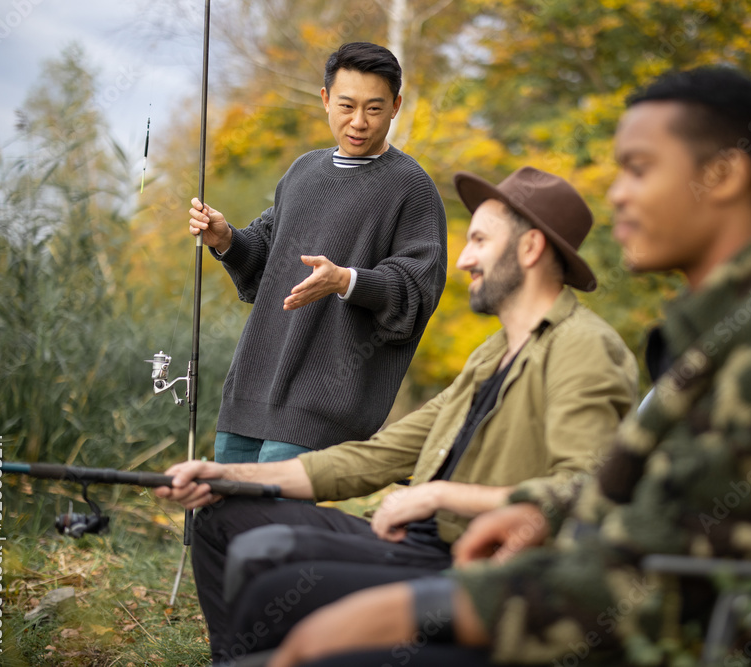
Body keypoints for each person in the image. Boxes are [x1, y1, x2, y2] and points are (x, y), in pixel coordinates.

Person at [259, 66, 751, 667]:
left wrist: (428, 604)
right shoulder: (724, 325)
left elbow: (670, 575)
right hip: (628, 615)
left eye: (639, 170)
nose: (617, 194)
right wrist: (535, 511)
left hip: (681, 641)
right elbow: (621, 500)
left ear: (722, 174)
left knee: (334, 638)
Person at [156, 166, 639, 664]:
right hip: (410, 541)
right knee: (220, 514)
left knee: (270, 571)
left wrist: (439, 493)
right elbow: (382, 455)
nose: (464, 259)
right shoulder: (493, 353)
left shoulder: (584, 349)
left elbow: (586, 490)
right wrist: (225, 475)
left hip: (470, 567)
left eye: (478, 241)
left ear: (531, 248)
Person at [188, 42, 448, 464]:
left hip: (323, 405)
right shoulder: (303, 172)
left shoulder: (410, 186)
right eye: (347, 106)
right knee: (226, 521)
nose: (358, 122)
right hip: (250, 392)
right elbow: (266, 261)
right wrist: (226, 239)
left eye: (375, 109)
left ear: (397, 106)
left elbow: (416, 292)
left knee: (276, 524)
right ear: (325, 99)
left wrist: (346, 281)